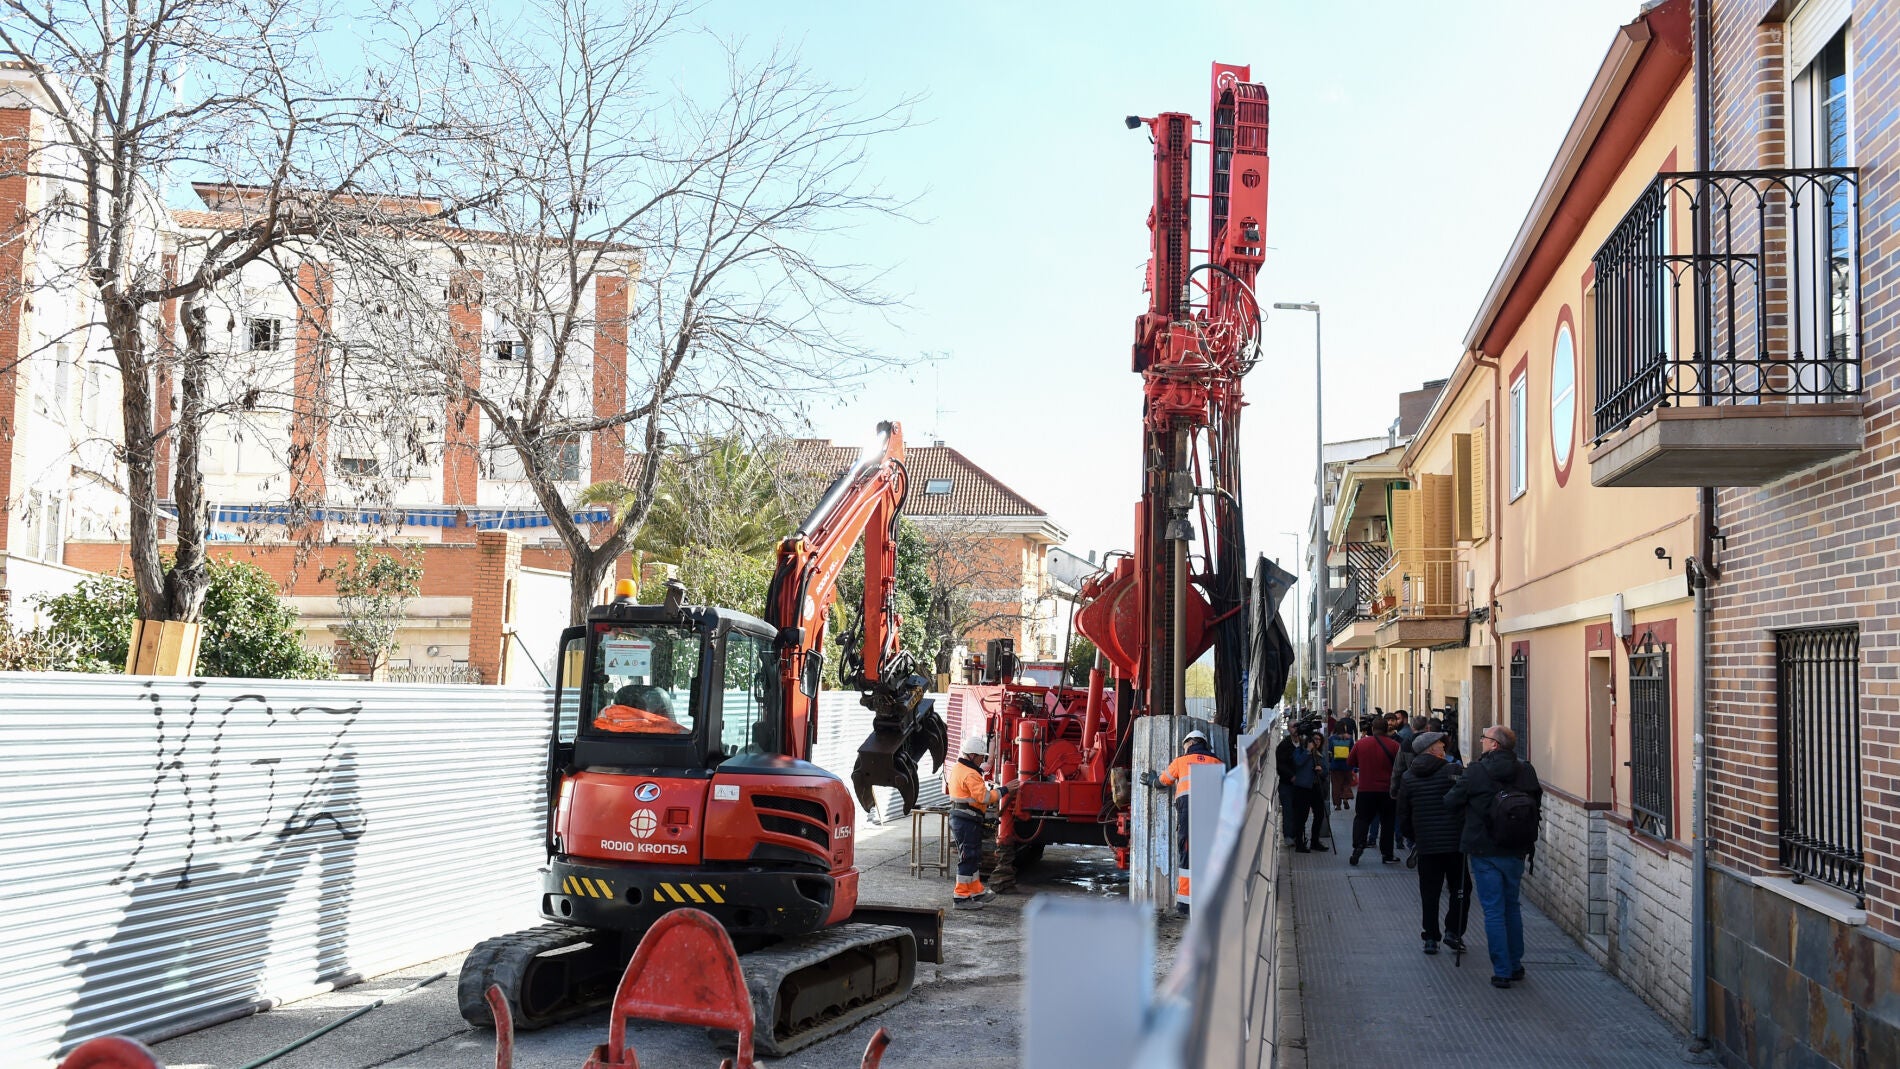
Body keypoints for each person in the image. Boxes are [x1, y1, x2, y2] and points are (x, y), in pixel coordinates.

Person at [1446, 724, 1543, 988]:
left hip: (1484, 848)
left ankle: (1501, 970)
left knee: (1493, 911)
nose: (1481, 741)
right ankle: (1515, 964)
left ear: (1495, 745)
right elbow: (1536, 801)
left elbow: (1451, 801)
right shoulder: (1526, 770)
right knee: (1512, 906)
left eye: (1484, 738)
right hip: (1516, 848)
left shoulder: (1477, 771)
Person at [1397, 731, 1470, 956]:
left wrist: (1416, 836)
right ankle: (1453, 932)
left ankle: (1430, 937)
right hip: (1455, 844)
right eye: (1440, 745)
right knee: (1461, 889)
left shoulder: (1408, 777)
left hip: (1427, 845)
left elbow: (1403, 815)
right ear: (1431, 749)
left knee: (1429, 892)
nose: (1444, 748)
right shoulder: (1454, 771)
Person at [1143, 731, 1224, 912]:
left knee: (1187, 854)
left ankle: (1185, 904)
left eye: (1184, 745)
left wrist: (1152, 781)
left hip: (1187, 812)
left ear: (1190, 742)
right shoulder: (1218, 762)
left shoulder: (1181, 761)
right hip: (1211, 813)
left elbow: (1164, 781)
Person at [946, 734, 1007, 909]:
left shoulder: (959, 768)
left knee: (972, 856)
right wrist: (1004, 790)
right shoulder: (970, 774)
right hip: (966, 820)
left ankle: (975, 890)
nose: (982, 760)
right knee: (968, 857)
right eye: (981, 757)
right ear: (972, 755)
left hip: (963, 818)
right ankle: (961, 898)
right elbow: (985, 797)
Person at [1348, 717, 1403, 865]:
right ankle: (1387, 854)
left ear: (1372, 728)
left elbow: (1350, 762)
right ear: (1386, 729)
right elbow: (1400, 767)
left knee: (1362, 819)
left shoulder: (1361, 744)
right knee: (1387, 822)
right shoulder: (1395, 746)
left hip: (1366, 789)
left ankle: (1358, 845)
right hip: (1387, 790)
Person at [1288, 732, 1328, 851]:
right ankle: (1299, 842)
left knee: (1319, 814)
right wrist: (1308, 751)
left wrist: (1321, 770)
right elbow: (1298, 762)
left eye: (1319, 740)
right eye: (1314, 739)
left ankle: (1314, 841)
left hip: (1316, 787)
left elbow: (1326, 771)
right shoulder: (1300, 751)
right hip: (1303, 788)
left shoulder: (1320, 755)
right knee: (1301, 816)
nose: (1316, 742)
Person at [1326, 719, 1357, 810]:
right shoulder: (1349, 738)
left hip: (1335, 765)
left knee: (1336, 785)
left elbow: (1329, 750)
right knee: (1346, 783)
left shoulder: (1331, 738)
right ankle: (1345, 799)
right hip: (1347, 765)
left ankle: (1337, 804)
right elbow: (1352, 751)